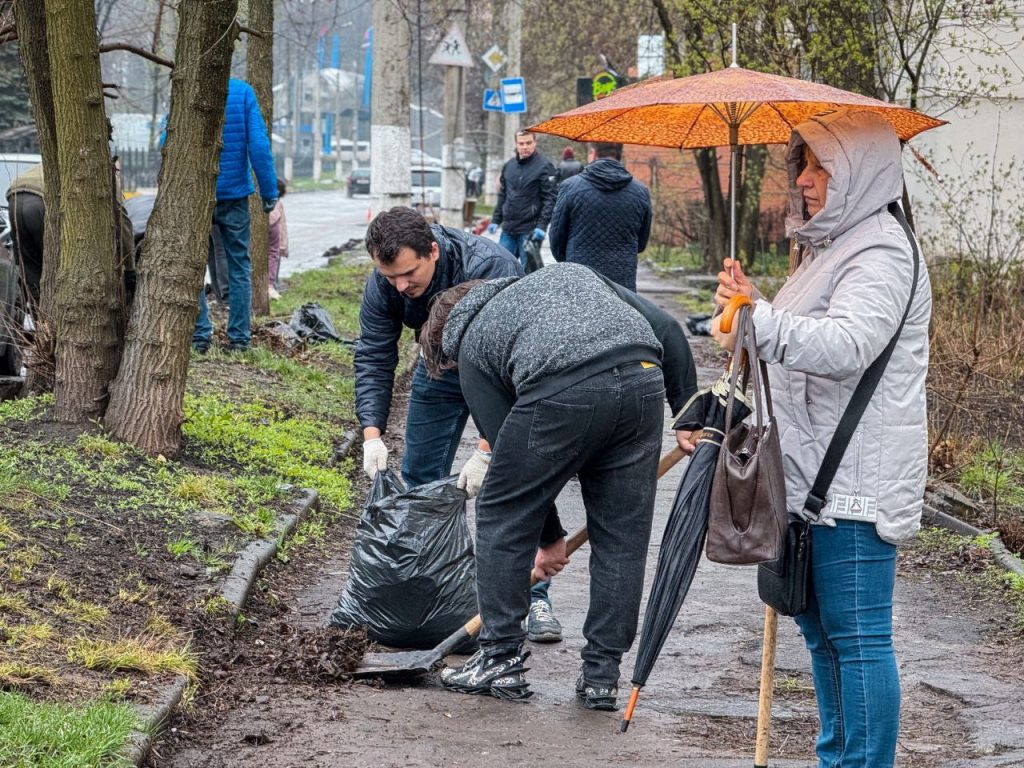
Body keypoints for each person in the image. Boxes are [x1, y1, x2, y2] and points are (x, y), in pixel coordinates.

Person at [711, 109, 931, 768]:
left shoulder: (880, 251)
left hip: (855, 486)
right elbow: (792, 343)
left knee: (857, 641)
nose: (803, 180)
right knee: (824, 638)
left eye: (819, 166)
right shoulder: (831, 248)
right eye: (801, 164)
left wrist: (760, 319)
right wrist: (749, 308)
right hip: (811, 483)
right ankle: (839, 760)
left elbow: (846, 345)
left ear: (858, 170)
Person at [420, 262, 699, 708]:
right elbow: (666, 327)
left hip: (566, 386)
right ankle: (602, 676)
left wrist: (547, 537)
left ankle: (499, 659)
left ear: (445, 341)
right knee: (622, 536)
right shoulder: (571, 275)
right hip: (643, 376)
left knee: (499, 511)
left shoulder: (472, 341)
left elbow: (515, 478)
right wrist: (688, 411)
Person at [192, 77, 278, 354]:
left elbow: (166, 139)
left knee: (193, 265)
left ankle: (199, 336)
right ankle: (239, 339)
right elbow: (259, 145)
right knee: (239, 266)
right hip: (235, 196)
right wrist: (269, 191)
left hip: (196, 194)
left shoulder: (191, 85)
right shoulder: (242, 92)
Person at [6, 162, 135, 311]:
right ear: (116, 170)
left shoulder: (66, 161)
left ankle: (40, 317)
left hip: (15, 198)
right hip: (42, 201)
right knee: (58, 267)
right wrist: (130, 269)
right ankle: (56, 318)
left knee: (30, 267)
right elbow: (122, 221)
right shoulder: (105, 173)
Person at [548, 142, 652, 291]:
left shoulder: (570, 187)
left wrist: (569, 261)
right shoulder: (640, 192)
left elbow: (556, 240)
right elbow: (641, 243)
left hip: (580, 279)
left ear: (592, 153)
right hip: (622, 284)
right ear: (620, 154)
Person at [487, 130, 557, 273]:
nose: (525, 147)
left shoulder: (545, 166)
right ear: (516, 144)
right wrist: (496, 219)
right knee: (501, 270)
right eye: (521, 143)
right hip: (508, 229)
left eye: (528, 143)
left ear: (535, 143)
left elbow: (550, 199)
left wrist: (542, 226)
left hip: (530, 230)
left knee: (528, 273)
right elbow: (503, 195)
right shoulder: (509, 166)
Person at [267, 179, 289, 299]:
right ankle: (271, 284)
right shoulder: (278, 204)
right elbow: (282, 226)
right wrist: (284, 245)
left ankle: (271, 283)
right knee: (274, 255)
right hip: (275, 235)